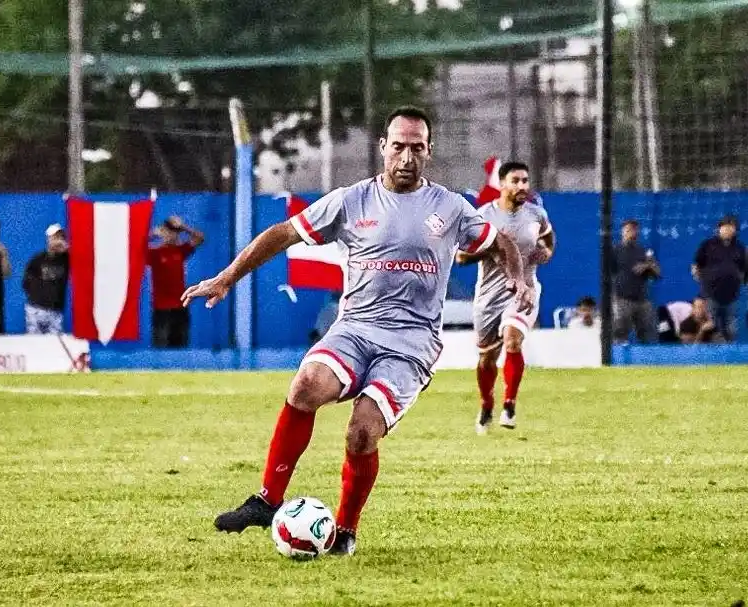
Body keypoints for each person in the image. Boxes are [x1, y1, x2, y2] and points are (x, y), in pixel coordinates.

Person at [182, 106, 530, 555]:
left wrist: (517, 276)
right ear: (383, 147)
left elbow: (498, 241)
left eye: (417, 148)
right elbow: (284, 233)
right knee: (305, 385)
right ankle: (268, 500)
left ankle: (344, 531)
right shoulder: (350, 200)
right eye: (398, 146)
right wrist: (228, 276)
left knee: (361, 432)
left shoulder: (449, 207)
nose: (407, 156)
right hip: (355, 330)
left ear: (429, 151)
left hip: (411, 345)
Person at [456, 161, 554, 435]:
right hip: (488, 296)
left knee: (513, 339)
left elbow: (548, 241)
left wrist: (545, 253)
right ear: (502, 184)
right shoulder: (483, 215)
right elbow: (461, 257)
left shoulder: (537, 215)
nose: (523, 186)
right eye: (516, 181)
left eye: (525, 180)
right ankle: (487, 403)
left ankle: (509, 405)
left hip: (524, 290)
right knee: (487, 358)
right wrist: (492, 249)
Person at [147, 215, 204, 348]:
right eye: (169, 231)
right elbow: (135, 246)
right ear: (164, 232)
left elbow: (200, 238)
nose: (173, 235)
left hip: (180, 307)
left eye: (175, 232)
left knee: (180, 344)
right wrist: (153, 233)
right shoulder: (155, 252)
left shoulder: (180, 250)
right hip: (161, 307)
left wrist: (184, 227)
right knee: (161, 345)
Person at [692, 215, 747, 342]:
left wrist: (737, 281)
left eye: (731, 227)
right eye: (725, 227)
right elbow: (696, 265)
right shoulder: (707, 245)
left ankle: (730, 358)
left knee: (731, 330)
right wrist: (704, 282)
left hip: (731, 296)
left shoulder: (739, 247)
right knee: (713, 329)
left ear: (735, 230)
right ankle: (712, 360)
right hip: (711, 295)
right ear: (719, 229)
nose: (728, 230)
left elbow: (743, 268)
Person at [610, 219, 660, 343]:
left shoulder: (644, 251)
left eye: (634, 229)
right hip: (622, 298)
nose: (631, 232)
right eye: (628, 230)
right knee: (620, 332)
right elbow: (609, 273)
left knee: (648, 333)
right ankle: (618, 359)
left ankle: (647, 359)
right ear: (622, 232)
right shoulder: (615, 250)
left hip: (642, 299)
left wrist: (647, 266)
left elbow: (657, 273)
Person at [22, 224, 70, 334]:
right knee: (34, 343)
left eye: (61, 237)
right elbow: (25, 282)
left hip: (55, 310)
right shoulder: (37, 259)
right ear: (48, 239)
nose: (58, 240)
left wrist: (68, 249)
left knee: (54, 345)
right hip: (35, 308)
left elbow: (83, 261)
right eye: (55, 237)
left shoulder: (67, 259)